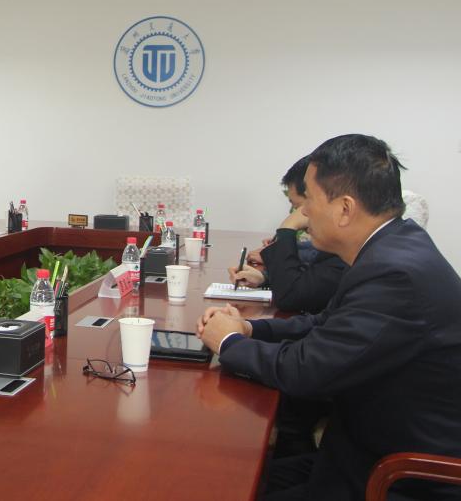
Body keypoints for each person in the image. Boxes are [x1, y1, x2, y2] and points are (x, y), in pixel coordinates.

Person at [198, 134, 461, 501]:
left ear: (344, 209)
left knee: (220, 482)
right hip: (357, 454)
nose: (303, 213)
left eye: (309, 199)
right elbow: (323, 324)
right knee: (218, 474)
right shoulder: (393, 246)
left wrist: (228, 343)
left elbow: (305, 371)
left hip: (395, 479)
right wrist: (250, 327)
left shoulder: (394, 274)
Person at [229, 155, 347, 314]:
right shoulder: (338, 247)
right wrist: (265, 279)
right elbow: (311, 284)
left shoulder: (349, 252)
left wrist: (287, 227)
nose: (301, 212)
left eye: (300, 206)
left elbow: (291, 298)